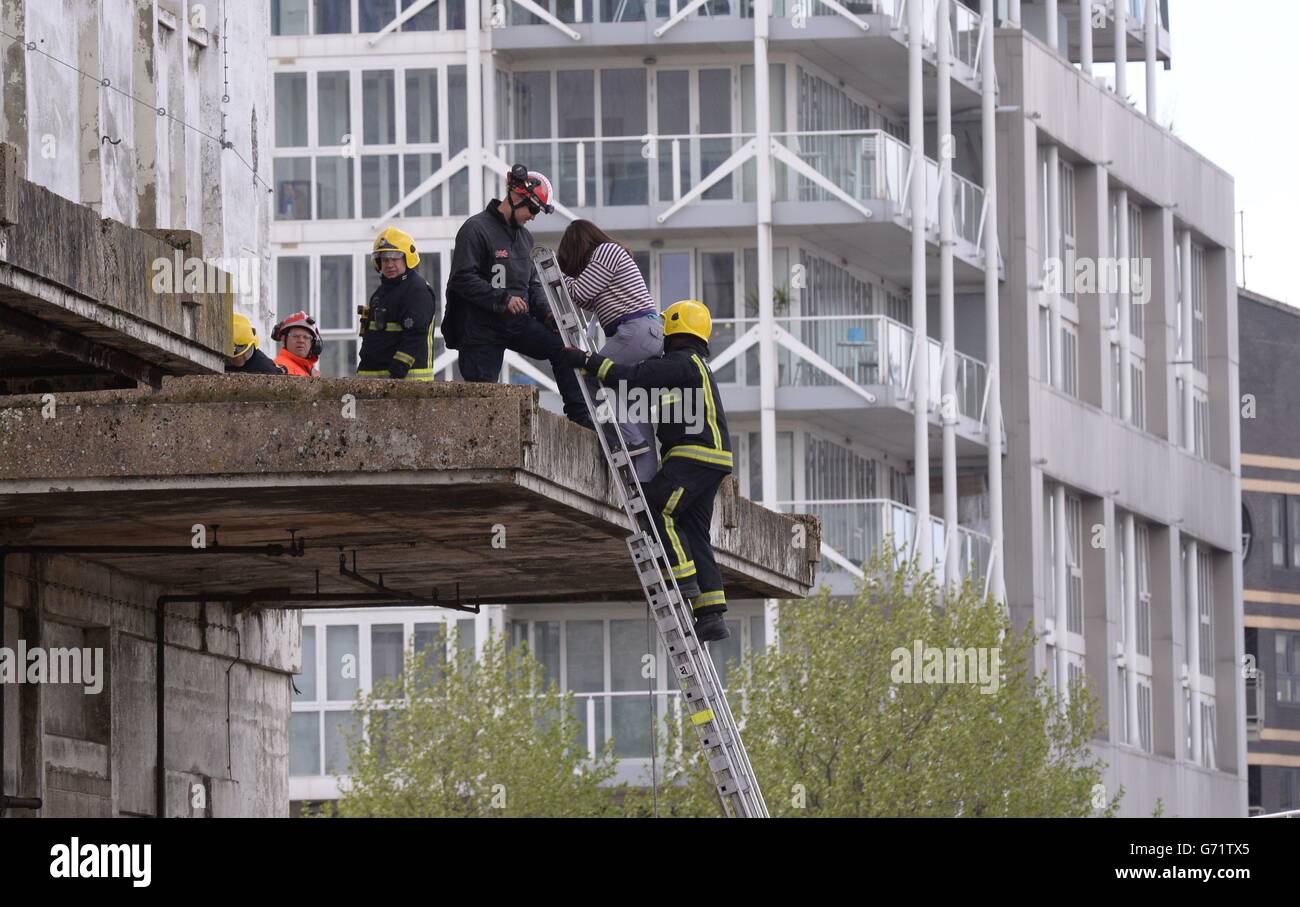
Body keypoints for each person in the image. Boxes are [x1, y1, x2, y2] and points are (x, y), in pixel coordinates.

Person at [558, 300, 733, 642]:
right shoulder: (690, 366)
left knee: (656, 506)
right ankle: (712, 613)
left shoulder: (683, 362)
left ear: (676, 328)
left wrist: (587, 361)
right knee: (694, 532)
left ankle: (682, 581)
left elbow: (637, 376)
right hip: (707, 459)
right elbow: (640, 385)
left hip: (692, 457)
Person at [442, 164, 591, 428]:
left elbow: (532, 284)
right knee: (482, 400)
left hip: (514, 324)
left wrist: (547, 314)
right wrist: (503, 300)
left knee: (562, 348)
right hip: (479, 331)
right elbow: (462, 278)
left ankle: (580, 418)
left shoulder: (525, 239)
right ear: (516, 195)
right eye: (532, 209)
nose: (533, 217)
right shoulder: (475, 229)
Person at [556, 220, 663, 482]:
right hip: (647, 334)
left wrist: (559, 275)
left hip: (635, 330)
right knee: (634, 405)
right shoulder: (613, 256)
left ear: (578, 246)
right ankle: (645, 480)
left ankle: (629, 441)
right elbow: (589, 299)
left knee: (590, 375)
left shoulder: (605, 252)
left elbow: (579, 293)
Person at [357, 226, 436, 381]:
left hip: (406, 383)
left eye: (395, 258)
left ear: (407, 258)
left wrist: (396, 375)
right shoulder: (380, 293)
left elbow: (415, 336)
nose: (389, 264)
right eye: (385, 259)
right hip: (377, 381)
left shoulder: (417, 290)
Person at [272, 311, 322, 377]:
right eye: (295, 336)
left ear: (313, 343)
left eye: (306, 337)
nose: (301, 340)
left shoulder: (309, 371)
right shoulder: (280, 368)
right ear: (284, 339)